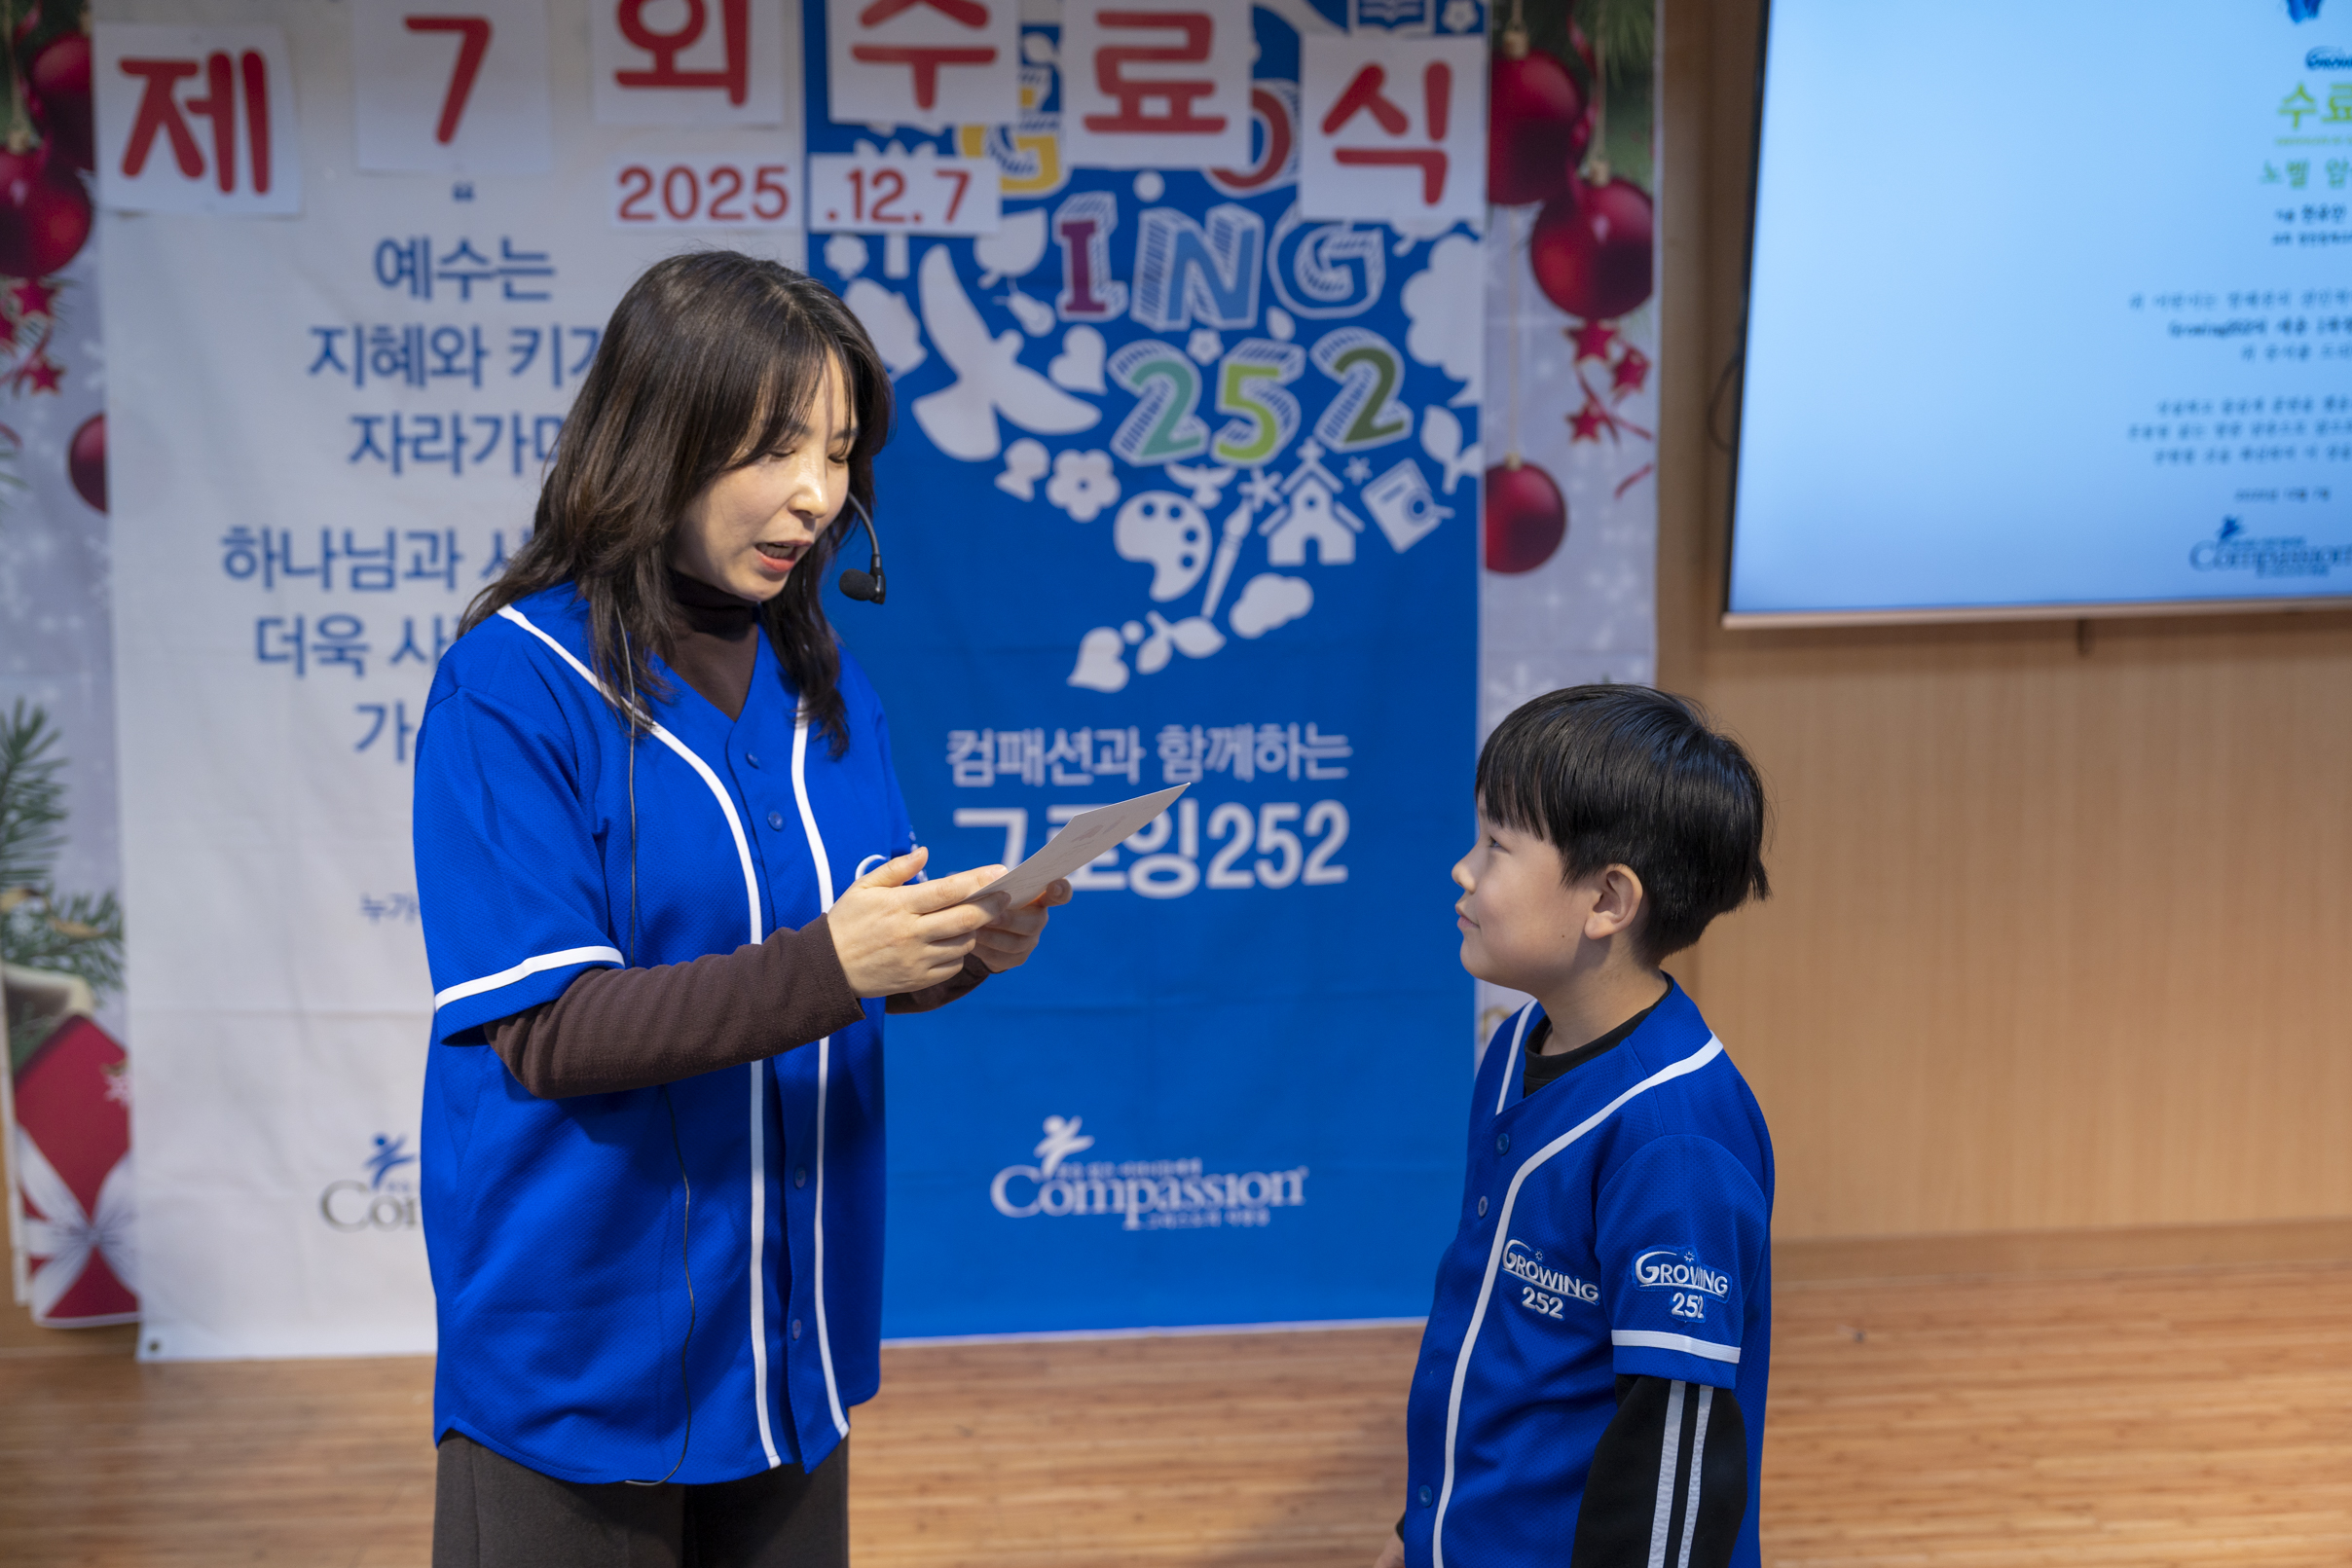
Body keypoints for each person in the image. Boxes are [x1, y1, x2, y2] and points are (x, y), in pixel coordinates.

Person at [411, 251, 1071, 1567]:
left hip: (787, 1340)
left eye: (837, 449)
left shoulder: (821, 678)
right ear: (656, 436)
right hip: (580, 1353)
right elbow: (549, 1030)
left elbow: (852, 953)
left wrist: (957, 949)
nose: (817, 494)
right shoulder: (511, 685)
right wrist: (834, 962)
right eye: (774, 447)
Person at [1376, 685, 1775, 1568]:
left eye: (1496, 846)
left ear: (1607, 899)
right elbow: (1495, 1343)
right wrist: (1419, 1534)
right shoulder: (1519, 1039)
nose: (1464, 869)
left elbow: (1674, 1461)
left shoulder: (1675, 1141)